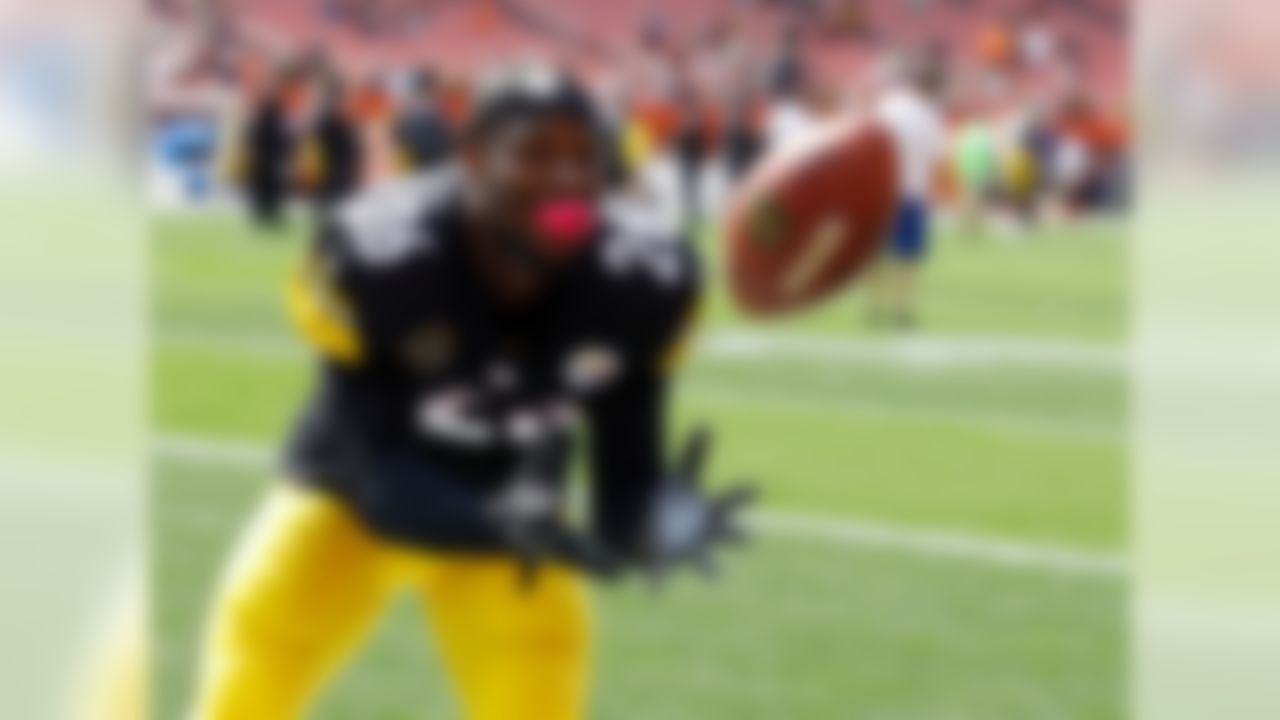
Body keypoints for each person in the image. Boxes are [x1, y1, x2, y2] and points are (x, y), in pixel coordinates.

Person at [187, 64, 751, 720]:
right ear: (473, 157)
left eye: (583, 158)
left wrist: (648, 519)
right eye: (535, 155)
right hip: (347, 508)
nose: (566, 180)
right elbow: (382, 476)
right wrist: (504, 521)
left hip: (514, 530)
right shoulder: (386, 254)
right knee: (244, 699)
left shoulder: (643, 278)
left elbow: (624, 469)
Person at [870, 52, 947, 329]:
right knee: (908, 257)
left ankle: (874, 305)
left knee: (877, 252)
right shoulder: (930, 116)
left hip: (884, 187)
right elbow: (937, 157)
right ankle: (902, 308)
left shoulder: (890, 105)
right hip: (913, 190)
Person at [394, 68, 455, 172]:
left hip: (418, 172)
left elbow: (400, 149)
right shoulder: (442, 117)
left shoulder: (405, 117)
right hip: (435, 171)